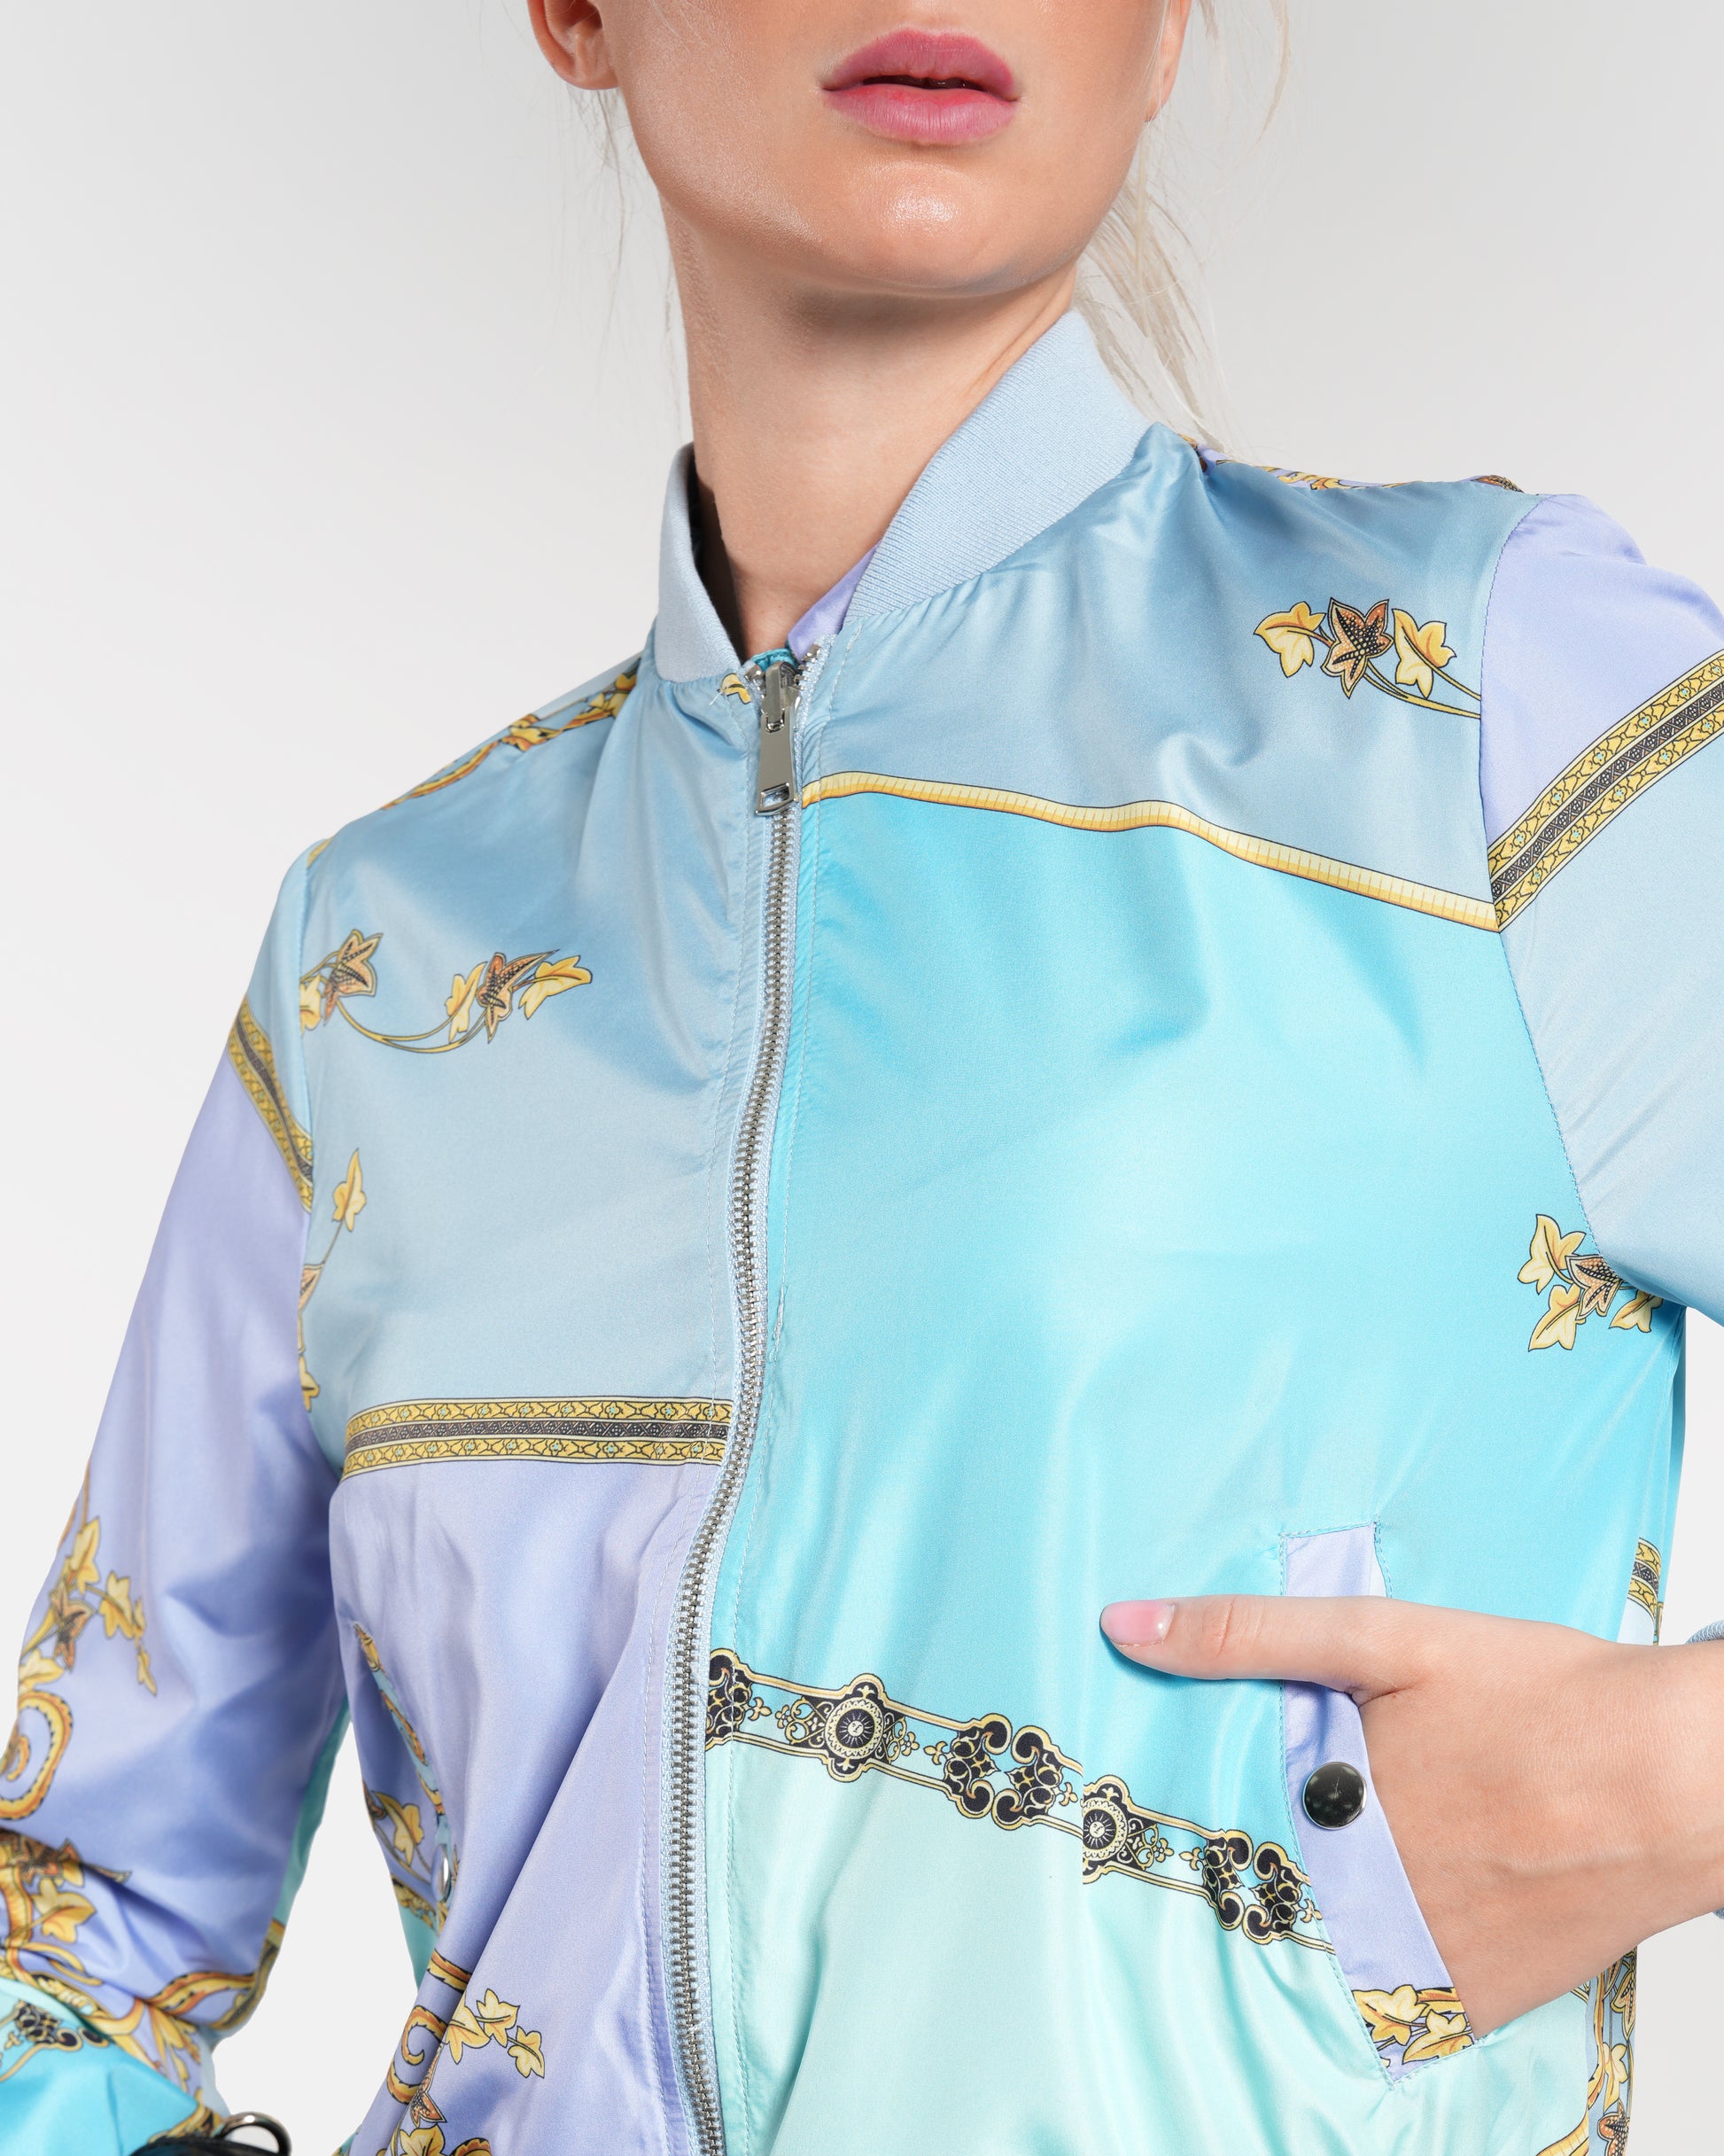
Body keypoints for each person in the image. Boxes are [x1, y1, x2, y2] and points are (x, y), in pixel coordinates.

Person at [3, 0, 1720, 2149]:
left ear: (1165, 28)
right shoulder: (387, 958)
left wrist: (1656, 1779)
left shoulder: (1475, 701)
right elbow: (69, 1920)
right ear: (576, 13)